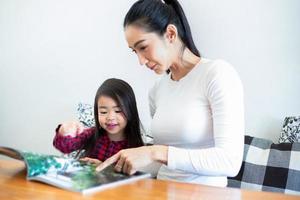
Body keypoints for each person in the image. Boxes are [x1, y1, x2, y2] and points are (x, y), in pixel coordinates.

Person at [96, 0, 245, 187]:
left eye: (143, 47)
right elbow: (163, 166)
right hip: (162, 191)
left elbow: (230, 162)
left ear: (171, 34)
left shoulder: (217, 74)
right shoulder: (157, 90)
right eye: (135, 51)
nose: (141, 61)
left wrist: (154, 152)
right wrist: (108, 166)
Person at [53, 78, 144, 163]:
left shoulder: (136, 148)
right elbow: (65, 147)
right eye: (103, 112)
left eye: (118, 111)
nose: (110, 117)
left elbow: (135, 174)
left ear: (130, 111)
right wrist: (64, 131)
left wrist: (104, 167)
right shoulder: (92, 134)